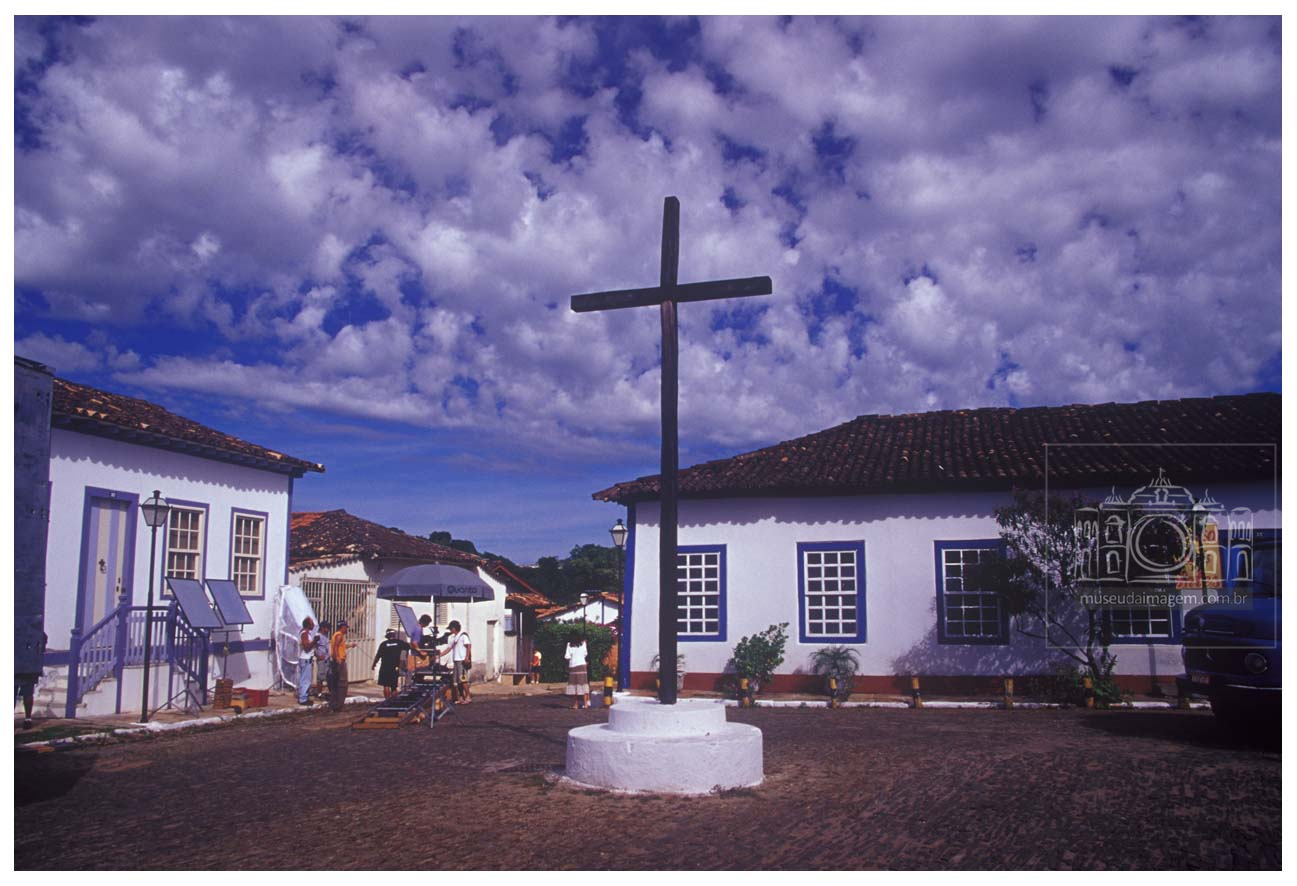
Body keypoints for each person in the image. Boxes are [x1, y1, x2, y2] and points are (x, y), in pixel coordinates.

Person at [372, 629, 412, 698]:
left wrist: (374, 665)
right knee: (393, 686)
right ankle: (393, 701)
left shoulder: (383, 644)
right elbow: (408, 647)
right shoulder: (399, 643)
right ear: (394, 635)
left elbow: (378, 656)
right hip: (395, 667)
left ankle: (387, 701)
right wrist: (405, 658)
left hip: (384, 667)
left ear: (387, 636)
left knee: (386, 685)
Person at [439, 620, 472, 703]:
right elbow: (449, 648)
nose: (450, 630)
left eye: (451, 629)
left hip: (462, 660)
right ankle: (460, 697)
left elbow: (468, 646)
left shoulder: (463, 636)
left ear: (454, 628)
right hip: (456, 660)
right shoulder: (453, 638)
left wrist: (467, 657)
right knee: (456, 681)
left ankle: (468, 696)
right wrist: (439, 655)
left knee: (463, 679)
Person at [328, 621, 352, 712]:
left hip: (337, 661)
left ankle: (335, 704)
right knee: (342, 683)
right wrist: (338, 657)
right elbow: (336, 646)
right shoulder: (339, 635)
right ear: (342, 627)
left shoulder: (336, 635)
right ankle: (338, 705)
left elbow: (341, 646)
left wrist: (350, 645)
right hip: (339, 661)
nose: (346, 629)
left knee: (336, 683)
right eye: (346, 627)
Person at [564, 630, 590, 710]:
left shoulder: (569, 644)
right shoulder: (583, 643)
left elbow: (567, 656)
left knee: (574, 685)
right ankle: (585, 703)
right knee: (583, 684)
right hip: (582, 665)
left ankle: (575, 704)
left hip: (573, 666)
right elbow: (585, 653)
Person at [297, 617, 318, 705]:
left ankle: (304, 696)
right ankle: (303, 698)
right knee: (305, 680)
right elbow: (306, 647)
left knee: (306, 679)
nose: (313, 625)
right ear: (308, 625)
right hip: (305, 659)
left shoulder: (307, 633)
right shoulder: (304, 634)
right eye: (312, 623)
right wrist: (314, 641)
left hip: (307, 659)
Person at [313, 619, 331, 698]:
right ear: (323, 628)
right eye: (327, 628)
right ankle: (319, 693)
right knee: (320, 676)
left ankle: (329, 692)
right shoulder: (318, 636)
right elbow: (314, 647)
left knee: (328, 675)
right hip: (321, 659)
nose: (328, 630)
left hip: (327, 658)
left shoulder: (325, 636)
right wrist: (317, 656)